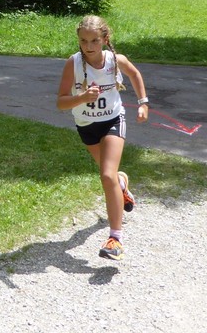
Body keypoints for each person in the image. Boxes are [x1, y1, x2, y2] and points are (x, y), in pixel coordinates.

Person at [56, 15, 149, 261]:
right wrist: (82, 98)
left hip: (113, 120)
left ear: (105, 39)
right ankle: (122, 185)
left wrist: (143, 103)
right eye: (84, 41)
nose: (89, 46)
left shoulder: (115, 61)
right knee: (111, 177)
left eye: (95, 40)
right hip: (86, 126)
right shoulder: (73, 64)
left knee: (106, 175)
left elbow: (135, 75)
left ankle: (115, 239)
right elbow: (61, 102)